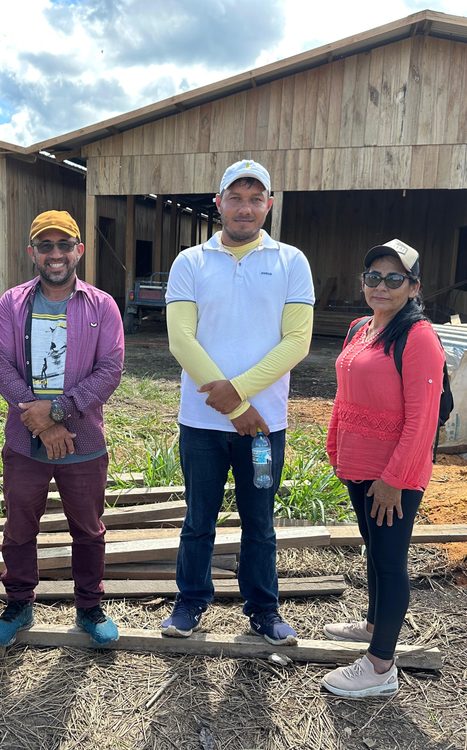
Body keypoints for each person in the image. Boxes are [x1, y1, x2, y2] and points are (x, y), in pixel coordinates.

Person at [162, 159, 314, 644]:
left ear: (269, 204)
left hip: (263, 426)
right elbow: (181, 341)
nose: (245, 208)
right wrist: (233, 406)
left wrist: (240, 394)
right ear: (218, 202)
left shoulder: (291, 261)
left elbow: (297, 342)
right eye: (236, 197)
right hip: (203, 425)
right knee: (198, 518)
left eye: (255, 199)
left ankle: (263, 609)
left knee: (260, 523)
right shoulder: (190, 262)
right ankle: (189, 602)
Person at [0, 210, 124, 648]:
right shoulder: (12, 303)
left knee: (87, 528)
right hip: (25, 441)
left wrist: (58, 413)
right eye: (45, 246)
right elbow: (2, 368)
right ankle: (19, 603)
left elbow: (110, 370)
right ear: (33, 253)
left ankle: (88, 606)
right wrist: (42, 424)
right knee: (19, 525)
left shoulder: (101, 305)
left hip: (82, 440)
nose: (55, 254)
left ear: (78, 251)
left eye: (64, 245)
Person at [322, 239, 445, 698]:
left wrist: (393, 480)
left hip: (393, 475)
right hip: (360, 466)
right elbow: (344, 394)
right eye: (373, 276)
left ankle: (380, 666)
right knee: (373, 550)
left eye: (395, 279)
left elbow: (423, 420)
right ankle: (373, 624)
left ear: (414, 287)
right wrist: (336, 446)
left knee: (390, 562)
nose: (382, 286)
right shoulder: (360, 328)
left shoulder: (418, 337)